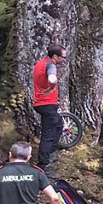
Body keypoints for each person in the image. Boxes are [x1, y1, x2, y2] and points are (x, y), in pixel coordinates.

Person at [32, 43, 67, 172]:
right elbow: (52, 79)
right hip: (46, 104)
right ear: (55, 56)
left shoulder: (40, 63)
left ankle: (51, 152)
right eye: (63, 57)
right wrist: (52, 87)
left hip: (41, 103)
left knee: (58, 125)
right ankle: (43, 164)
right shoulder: (50, 65)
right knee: (48, 134)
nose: (64, 60)